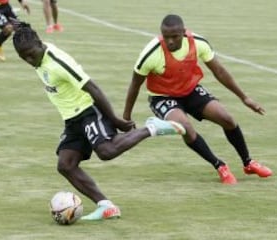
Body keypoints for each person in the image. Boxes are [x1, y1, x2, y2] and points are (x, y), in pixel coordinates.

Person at [11, 20, 186, 220]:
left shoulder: (58, 62)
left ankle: (151, 128)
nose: (29, 60)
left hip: (88, 110)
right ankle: (106, 206)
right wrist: (20, 28)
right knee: (65, 165)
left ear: (40, 44)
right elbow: (26, 42)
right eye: (23, 57)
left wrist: (115, 119)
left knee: (106, 151)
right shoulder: (36, 55)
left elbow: (92, 87)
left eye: (31, 54)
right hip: (72, 118)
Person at [123, 14, 273, 185]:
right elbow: (134, 85)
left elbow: (220, 71)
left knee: (227, 119)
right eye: (166, 37)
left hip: (190, 90)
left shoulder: (198, 43)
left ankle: (248, 163)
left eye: (175, 36)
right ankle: (220, 166)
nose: (170, 41)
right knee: (184, 127)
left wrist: (244, 98)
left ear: (184, 32)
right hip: (162, 97)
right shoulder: (151, 53)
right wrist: (126, 118)